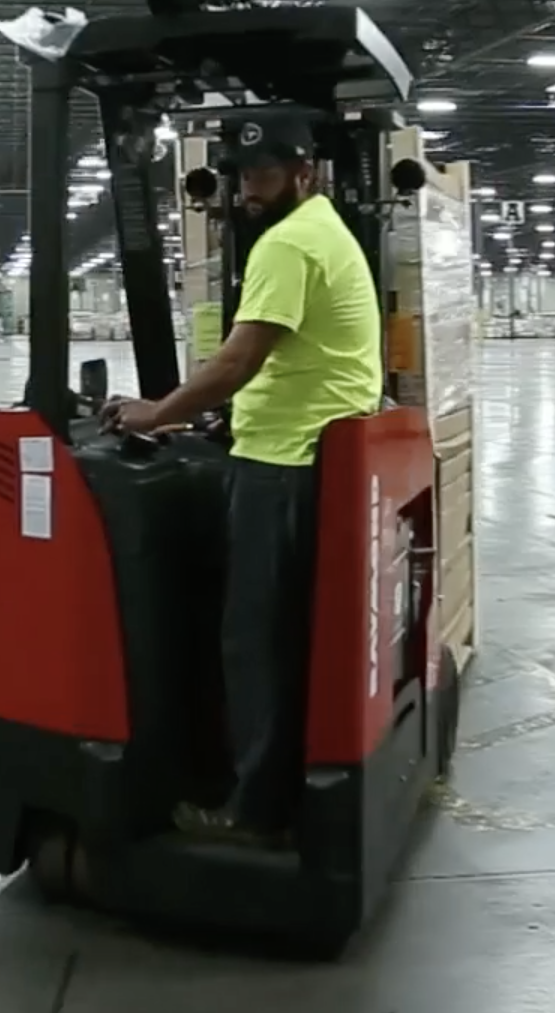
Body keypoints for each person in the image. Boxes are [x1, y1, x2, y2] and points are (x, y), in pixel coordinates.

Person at [111, 116, 382, 841]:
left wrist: (152, 416)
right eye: (242, 174)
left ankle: (253, 812)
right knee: (271, 634)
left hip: (284, 460)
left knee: (253, 641)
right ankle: (266, 788)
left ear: (303, 171)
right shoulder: (325, 232)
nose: (248, 188)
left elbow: (238, 361)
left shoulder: (289, 243)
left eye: (262, 174)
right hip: (299, 447)